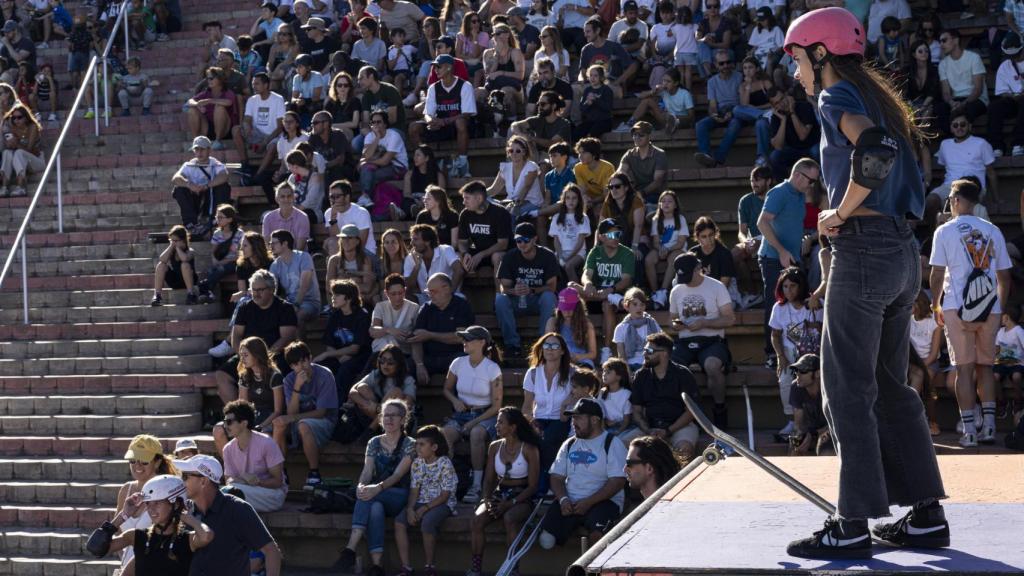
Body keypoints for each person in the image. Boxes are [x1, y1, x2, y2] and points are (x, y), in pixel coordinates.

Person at [783, 7, 949, 557]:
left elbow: (872, 152)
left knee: (847, 391)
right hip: (903, 253)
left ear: (821, 54)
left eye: (798, 58)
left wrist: (838, 213)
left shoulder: (834, 98)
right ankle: (926, 517)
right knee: (891, 389)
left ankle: (851, 524)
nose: (796, 72)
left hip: (863, 252)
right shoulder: (878, 97)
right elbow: (891, 152)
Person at [928, 179, 1012, 446]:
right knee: (985, 368)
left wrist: (935, 305)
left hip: (957, 307)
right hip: (990, 307)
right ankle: (988, 427)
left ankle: (969, 432)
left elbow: (937, 273)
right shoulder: (992, 229)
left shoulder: (944, 231)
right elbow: (1005, 277)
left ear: (955, 200)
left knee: (964, 370)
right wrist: (998, 306)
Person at [335, 399, 416, 576]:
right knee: (375, 508)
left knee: (370, 497)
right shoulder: (374, 442)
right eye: (385, 415)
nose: (388, 419)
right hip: (377, 495)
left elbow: (398, 476)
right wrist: (361, 486)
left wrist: (375, 488)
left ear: (403, 420)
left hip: (400, 495)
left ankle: (350, 548)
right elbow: (367, 470)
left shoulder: (410, 443)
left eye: (393, 416)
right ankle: (377, 566)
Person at [537, 397, 628, 550]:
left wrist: (589, 502)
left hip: (604, 502)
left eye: (578, 418)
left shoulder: (612, 443)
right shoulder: (569, 443)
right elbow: (556, 477)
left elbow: (618, 482)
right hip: (571, 501)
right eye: (573, 418)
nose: (573, 422)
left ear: (594, 420)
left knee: (597, 537)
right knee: (546, 540)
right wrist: (563, 499)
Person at [176, 454, 283, 576]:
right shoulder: (185, 510)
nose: (181, 482)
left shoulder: (237, 509)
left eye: (185, 477)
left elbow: (271, 551)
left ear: (203, 481)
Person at [87, 474, 214, 575]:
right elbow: (96, 548)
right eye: (148, 503)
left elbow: (206, 536)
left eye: (157, 503)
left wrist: (185, 515)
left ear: (176, 504)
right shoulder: (137, 536)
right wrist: (123, 515)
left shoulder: (187, 540)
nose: (151, 509)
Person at [466, 406, 541, 576]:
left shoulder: (529, 449)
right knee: (477, 520)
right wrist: (486, 499)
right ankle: (475, 568)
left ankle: (512, 568)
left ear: (513, 427)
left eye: (500, 422)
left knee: (510, 518)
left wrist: (512, 503)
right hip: (500, 493)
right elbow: (489, 480)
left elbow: (533, 486)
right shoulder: (494, 447)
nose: (496, 426)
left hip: (522, 495)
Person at [757, 159, 817, 366]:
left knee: (799, 300)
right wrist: (782, 251)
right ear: (799, 175)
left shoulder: (799, 195)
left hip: (792, 258)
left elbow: (789, 223)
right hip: (774, 258)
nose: (812, 185)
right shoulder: (779, 192)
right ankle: (771, 354)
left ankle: (801, 347)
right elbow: (762, 222)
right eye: (811, 181)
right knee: (775, 304)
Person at [669, 253, 735, 428]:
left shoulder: (716, 287)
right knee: (670, 366)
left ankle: (719, 410)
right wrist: (677, 325)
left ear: (699, 269)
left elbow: (729, 319)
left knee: (712, 366)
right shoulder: (677, 289)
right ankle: (679, 412)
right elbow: (673, 318)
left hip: (712, 340)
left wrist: (705, 323)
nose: (685, 280)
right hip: (685, 341)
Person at [214, 269, 298, 404]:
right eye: (253, 290)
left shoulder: (285, 308)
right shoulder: (244, 308)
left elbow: (286, 338)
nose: (256, 294)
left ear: (272, 289)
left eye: (260, 290)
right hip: (247, 354)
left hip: (274, 356)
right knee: (222, 375)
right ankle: (240, 414)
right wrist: (243, 356)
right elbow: (236, 337)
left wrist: (264, 358)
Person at [441, 325, 503, 503]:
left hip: (485, 414)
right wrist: (455, 401)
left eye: (468, 339)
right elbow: (447, 389)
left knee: (476, 434)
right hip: (461, 414)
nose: (464, 342)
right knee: (445, 435)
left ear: (482, 342)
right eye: (464, 338)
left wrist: (473, 422)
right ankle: (448, 483)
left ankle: (476, 485)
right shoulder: (458, 363)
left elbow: (496, 406)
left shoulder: (492, 368)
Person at [620, 332, 700, 458]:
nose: (644, 354)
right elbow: (636, 411)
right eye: (645, 350)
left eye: (649, 350)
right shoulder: (641, 375)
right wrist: (648, 430)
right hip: (649, 427)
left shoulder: (683, 374)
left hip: (679, 427)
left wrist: (668, 431)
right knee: (621, 446)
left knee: (684, 449)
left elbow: (690, 412)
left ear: (665, 353)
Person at [272, 341, 339, 488]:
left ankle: (314, 473)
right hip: (299, 421)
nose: (301, 367)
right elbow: (291, 412)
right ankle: (281, 473)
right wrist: (297, 388)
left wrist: (292, 418)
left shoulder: (325, 375)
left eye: (303, 361)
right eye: (296, 364)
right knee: (278, 425)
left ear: (310, 358)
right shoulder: (289, 380)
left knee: (304, 425)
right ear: (291, 366)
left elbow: (321, 412)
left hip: (324, 421)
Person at [394, 425, 458, 576]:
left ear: (434, 447)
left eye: (422, 444)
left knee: (428, 521)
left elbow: (445, 495)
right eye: (417, 443)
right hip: (421, 501)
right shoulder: (417, 463)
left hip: (442, 503)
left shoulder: (444, 463)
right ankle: (406, 567)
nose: (418, 447)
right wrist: (410, 509)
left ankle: (430, 566)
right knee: (399, 521)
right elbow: (414, 490)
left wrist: (425, 508)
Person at [570, 218, 635, 362]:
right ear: (601, 237)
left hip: (616, 295)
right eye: (611, 235)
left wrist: (611, 289)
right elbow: (587, 274)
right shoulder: (595, 252)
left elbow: (626, 281)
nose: (615, 238)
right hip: (597, 294)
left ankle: (606, 350)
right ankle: (573, 343)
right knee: (571, 288)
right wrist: (587, 284)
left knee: (607, 304)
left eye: (617, 234)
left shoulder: (627, 253)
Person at [769, 266, 822, 437]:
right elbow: (775, 335)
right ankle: (792, 421)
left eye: (792, 286)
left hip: (812, 353)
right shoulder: (779, 308)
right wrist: (780, 356)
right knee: (785, 379)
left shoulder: (814, 303)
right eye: (785, 286)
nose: (788, 290)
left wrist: (814, 326)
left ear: (801, 286)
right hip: (789, 352)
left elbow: (826, 330)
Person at [110, 435, 176, 570]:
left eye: (144, 461)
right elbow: (116, 530)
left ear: (157, 462)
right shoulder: (125, 489)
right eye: (133, 460)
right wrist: (125, 558)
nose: (137, 465)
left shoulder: (168, 490)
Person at [495, 222, 560, 356]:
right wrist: (514, 291)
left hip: (537, 299)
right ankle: (512, 346)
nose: (522, 244)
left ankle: (543, 344)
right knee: (500, 299)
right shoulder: (510, 256)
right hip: (517, 300)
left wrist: (531, 290)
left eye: (526, 240)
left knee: (549, 297)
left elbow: (552, 287)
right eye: (518, 240)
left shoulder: (547, 256)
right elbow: (503, 287)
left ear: (535, 239)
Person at [213, 336, 284, 454]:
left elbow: (278, 411)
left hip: (269, 418)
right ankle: (231, 468)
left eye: (246, 355)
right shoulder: (245, 376)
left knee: (261, 437)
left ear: (257, 354)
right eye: (241, 355)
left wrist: (260, 426)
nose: (242, 359)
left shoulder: (274, 376)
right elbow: (242, 406)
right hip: (252, 416)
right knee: (218, 430)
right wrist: (235, 421)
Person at [522, 331, 575, 486]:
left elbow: (576, 400)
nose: (550, 349)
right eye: (546, 345)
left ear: (562, 350)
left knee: (549, 439)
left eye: (554, 345)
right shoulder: (532, 373)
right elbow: (526, 406)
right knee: (532, 439)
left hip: (562, 419)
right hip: (537, 420)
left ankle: (546, 486)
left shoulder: (572, 372)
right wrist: (532, 422)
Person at [410, 54, 476, 169]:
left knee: (460, 122)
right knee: (413, 127)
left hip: (458, 127)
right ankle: (425, 160)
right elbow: (427, 113)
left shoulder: (465, 86)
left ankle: (462, 161)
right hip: (441, 126)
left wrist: (444, 121)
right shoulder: (433, 88)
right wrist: (431, 121)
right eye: (434, 67)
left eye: (439, 67)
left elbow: (467, 114)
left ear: (449, 67)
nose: (435, 70)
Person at [221, 399, 287, 512]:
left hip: (272, 495)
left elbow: (278, 482)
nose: (225, 425)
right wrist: (242, 481)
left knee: (230, 493)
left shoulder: (266, 443)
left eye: (229, 421)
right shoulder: (227, 449)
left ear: (244, 423)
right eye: (225, 421)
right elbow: (229, 481)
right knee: (223, 493)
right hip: (243, 491)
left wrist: (258, 482)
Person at [410, 272, 476, 383]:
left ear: (446, 289)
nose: (430, 295)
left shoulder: (461, 306)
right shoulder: (426, 308)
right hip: (430, 358)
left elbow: (461, 337)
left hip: (454, 356)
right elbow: (416, 339)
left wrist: (430, 335)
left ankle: (459, 399)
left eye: (433, 291)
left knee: (464, 361)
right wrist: (419, 364)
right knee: (407, 365)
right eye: (428, 292)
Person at [318, 279, 372, 400]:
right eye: (332, 294)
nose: (333, 298)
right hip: (339, 356)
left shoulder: (362, 316)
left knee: (344, 370)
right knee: (320, 367)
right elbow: (329, 343)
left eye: (337, 295)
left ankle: (339, 407)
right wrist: (336, 356)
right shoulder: (335, 315)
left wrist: (328, 354)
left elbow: (355, 349)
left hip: (359, 357)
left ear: (349, 298)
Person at [170, 136, 230, 236]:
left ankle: (216, 219)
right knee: (179, 189)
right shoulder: (189, 165)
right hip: (195, 198)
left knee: (223, 187)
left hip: (210, 198)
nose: (199, 152)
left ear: (209, 150)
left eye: (202, 149)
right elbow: (175, 178)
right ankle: (191, 224)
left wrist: (207, 186)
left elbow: (224, 176)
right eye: (197, 149)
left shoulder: (215, 164)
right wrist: (189, 185)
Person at [694, 50, 745, 169]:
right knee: (700, 125)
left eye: (728, 62)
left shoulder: (739, 77)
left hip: (737, 111)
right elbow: (712, 105)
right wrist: (715, 115)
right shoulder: (712, 82)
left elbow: (743, 102)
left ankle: (717, 159)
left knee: (735, 125)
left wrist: (731, 113)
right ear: (716, 65)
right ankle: (706, 156)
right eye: (721, 63)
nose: (725, 66)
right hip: (721, 111)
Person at [350, 343, 418, 426]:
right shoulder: (376, 374)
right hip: (378, 416)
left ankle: (371, 429)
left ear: (399, 364)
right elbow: (352, 392)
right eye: (382, 360)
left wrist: (380, 408)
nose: (385, 365)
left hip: (401, 421)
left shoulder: (407, 379)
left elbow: (408, 404)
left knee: (396, 392)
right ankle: (378, 427)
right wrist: (369, 405)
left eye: (390, 362)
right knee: (362, 388)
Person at [457, 180, 512, 276]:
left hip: (500, 252)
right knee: (457, 256)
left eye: (467, 198)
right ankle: (455, 291)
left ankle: (499, 291)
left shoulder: (500, 213)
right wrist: (465, 254)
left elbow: (502, 244)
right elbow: (462, 242)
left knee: (496, 257)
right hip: (479, 253)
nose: (463, 202)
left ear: (479, 198)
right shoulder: (465, 214)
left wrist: (481, 255)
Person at [765, 88, 820, 180]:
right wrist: (783, 120)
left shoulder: (804, 106)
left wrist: (792, 112)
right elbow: (778, 146)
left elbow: (802, 136)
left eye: (782, 98)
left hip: (811, 147)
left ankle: (822, 183)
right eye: (777, 103)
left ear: (786, 95)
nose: (782, 103)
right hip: (794, 151)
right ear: (773, 106)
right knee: (775, 157)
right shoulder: (776, 117)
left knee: (817, 151)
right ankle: (786, 188)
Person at [646, 190, 689, 308]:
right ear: (659, 204)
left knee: (674, 258)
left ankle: (663, 291)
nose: (666, 204)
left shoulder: (680, 219)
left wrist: (667, 250)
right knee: (649, 259)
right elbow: (655, 241)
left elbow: (681, 242)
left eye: (670, 201)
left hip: (676, 249)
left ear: (675, 205)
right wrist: (660, 249)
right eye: (663, 201)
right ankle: (655, 292)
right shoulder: (656, 219)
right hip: (661, 249)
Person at [938, 29, 988, 124]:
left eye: (944, 40)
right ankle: (950, 138)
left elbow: (978, 89)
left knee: (967, 111)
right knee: (940, 109)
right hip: (956, 99)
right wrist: (952, 103)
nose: (941, 44)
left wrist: (963, 104)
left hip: (976, 99)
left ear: (956, 40)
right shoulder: (943, 64)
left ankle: (965, 138)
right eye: (940, 41)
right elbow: (945, 92)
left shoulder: (974, 58)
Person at [405, 223, 465, 302]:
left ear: (427, 242)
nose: (411, 243)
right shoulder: (410, 258)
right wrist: (416, 267)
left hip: (448, 296)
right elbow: (409, 287)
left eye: (415, 239)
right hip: (426, 298)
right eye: (412, 239)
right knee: (407, 298)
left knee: (461, 299)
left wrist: (449, 293)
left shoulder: (445, 250)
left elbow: (459, 270)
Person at [787, 353, 833, 456]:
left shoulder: (830, 388)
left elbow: (837, 422)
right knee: (795, 445)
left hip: (831, 431)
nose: (798, 374)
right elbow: (798, 423)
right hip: (812, 431)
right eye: (796, 370)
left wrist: (813, 435)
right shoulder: (796, 387)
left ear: (817, 373)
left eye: (803, 371)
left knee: (825, 446)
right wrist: (800, 438)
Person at [488, 134, 543, 220]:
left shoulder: (531, 167)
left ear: (524, 152)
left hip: (530, 203)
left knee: (510, 213)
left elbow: (524, 191)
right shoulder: (505, 168)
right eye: (511, 151)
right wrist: (479, 194)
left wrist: (511, 206)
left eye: (518, 151)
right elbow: (494, 189)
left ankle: (511, 233)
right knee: (483, 200)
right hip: (510, 203)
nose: (514, 154)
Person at [369, 273, 420, 363]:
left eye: (401, 293)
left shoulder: (414, 308)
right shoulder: (380, 306)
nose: (398, 297)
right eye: (393, 294)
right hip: (383, 350)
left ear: (405, 291)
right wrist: (389, 330)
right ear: (386, 293)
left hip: (404, 352)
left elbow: (417, 335)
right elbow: (373, 331)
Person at [989, 33, 1024, 158]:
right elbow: (1002, 92)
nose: (1013, 58)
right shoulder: (1004, 66)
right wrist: (1012, 96)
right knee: (994, 107)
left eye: (1016, 55)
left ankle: (1019, 143)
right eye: (1011, 56)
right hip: (1013, 100)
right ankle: (997, 146)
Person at [545, 287, 599, 368]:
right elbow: (548, 347)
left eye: (571, 308)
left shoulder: (587, 325)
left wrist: (578, 357)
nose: (567, 312)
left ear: (578, 308)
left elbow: (593, 353)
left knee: (585, 372)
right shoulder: (552, 322)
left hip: (581, 360)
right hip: (559, 359)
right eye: (564, 308)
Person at [616, 121, 667, 205]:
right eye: (635, 135)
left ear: (649, 136)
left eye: (641, 135)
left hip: (657, 195)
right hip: (636, 193)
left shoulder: (659, 154)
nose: (637, 137)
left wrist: (640, 193)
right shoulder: (629, 154)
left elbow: (657, 182)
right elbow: (620, 173)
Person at [548, 183, 590, 283]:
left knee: (569, 266)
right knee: (550, 264)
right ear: (564, 199)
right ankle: (557, 291)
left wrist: (570, 256)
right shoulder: (556, 217)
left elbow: (580, 241)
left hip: (578, 253)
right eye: (568, 198)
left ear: (579, 200)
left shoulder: (583, 218)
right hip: (561, 252)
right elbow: (556, 240)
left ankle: (576, 294)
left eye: (574, 198)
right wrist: (561, 254)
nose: (571, 201)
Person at [613, 287, 662, 371]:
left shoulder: (651, 322)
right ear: (626, 306)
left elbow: (661, 343)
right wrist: (628, 372)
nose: (639, 308)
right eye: (635, 304)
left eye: (642, 304)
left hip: (650, 363)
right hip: (631, 365)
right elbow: (621, 356)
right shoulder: (621, 328)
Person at [324, 179, 375, 256]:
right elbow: (335, 239)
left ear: (347, 197)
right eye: (331, 197)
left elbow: (361, 243)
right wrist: (333, 219)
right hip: (344, 252)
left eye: (337, 196)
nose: (333, 200)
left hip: (365, 253)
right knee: (331, 242)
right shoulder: (329, 213)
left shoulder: (361, 213)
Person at [151, 225, 198, 306]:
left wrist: (178, 248)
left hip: (189, 281)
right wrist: (171, 247)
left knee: (185, 265)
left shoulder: (190, 251)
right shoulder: (172, 250)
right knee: (161, 265)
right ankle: (157, 295)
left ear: (183, 240)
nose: (173, 243)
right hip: (176, 281)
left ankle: (191, 294)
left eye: (175, 241)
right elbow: (162, 259)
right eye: (171, 240)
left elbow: (184, 258)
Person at [262, 182, 310, 252]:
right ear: (276, 199)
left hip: (297, 259)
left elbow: (300, 249)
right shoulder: (268, 218)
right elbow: (268, 246)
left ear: (294, 198)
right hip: (275, 259)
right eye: (282, 196)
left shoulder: (303, 217)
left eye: (289, 196)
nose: (286, 199)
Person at [599, 358, 634, 436]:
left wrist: (617, 432)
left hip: (624, 428)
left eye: (608, 372)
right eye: (604, 371)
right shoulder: (602, 392)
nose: (604, 374)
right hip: (608, 428)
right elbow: (600, 415)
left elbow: (626, 421)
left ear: (619, 376)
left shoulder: (626, 394)